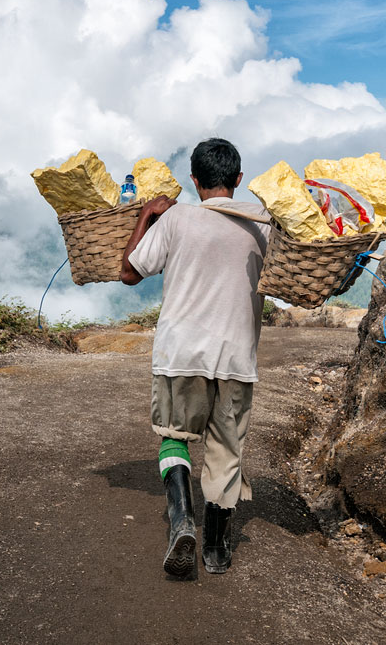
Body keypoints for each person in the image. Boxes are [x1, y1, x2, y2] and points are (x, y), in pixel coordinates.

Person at [120, 137, 270, 577]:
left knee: (173, 435)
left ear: (194, 180)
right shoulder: (264, 224)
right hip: (237, 357)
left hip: (181, 352)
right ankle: (217, 546)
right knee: (226, 449)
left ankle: (182, 519)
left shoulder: (176, 219)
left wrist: (147, 214)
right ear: (238, 180)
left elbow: (129, 272)